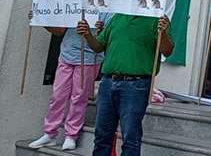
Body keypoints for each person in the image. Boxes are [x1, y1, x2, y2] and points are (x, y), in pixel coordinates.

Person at [77, 13, 173, 156]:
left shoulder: (157, 19)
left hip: (136, 84)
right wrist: (87, 35)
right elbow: (98, 46)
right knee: (102, 134)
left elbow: (167, 50)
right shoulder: (117, 17)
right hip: (108, 82)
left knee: (130, 137)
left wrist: (163, 32)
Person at [28, 12, 110, 151]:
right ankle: (50, 133)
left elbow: (106, 36)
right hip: (66, 54)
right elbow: (59, 30)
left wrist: (99, 29)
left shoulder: (106, 7)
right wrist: (40, 18)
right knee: (58, 95)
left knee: (79, 97)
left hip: (89, 58)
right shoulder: (74, 1)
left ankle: (71, 135)